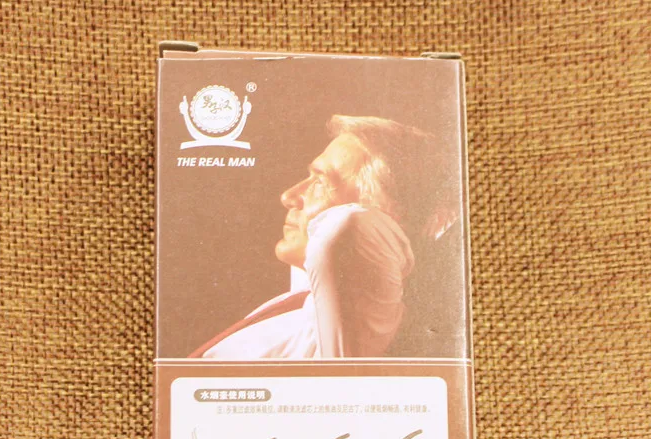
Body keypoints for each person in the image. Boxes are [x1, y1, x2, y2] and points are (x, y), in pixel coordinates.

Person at [188, 115, 458, 359]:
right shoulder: (302, 312)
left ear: (386, 216)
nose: (289, 196)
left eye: (321, 181)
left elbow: (350, 228)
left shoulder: (357, 333)